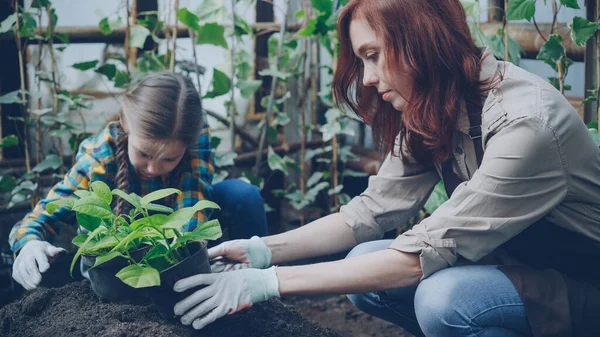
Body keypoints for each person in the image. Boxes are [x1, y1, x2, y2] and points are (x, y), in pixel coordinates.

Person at [172, 1, 600, 336]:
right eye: (362, 61)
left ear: (422, 41)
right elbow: (370, 212)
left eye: (373, 56)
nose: (369, 78)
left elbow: (418, 259)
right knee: (367, 265)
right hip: (517, 265)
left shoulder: (525, 123)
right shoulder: (438, 104)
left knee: (444, 298)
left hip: (582, 284)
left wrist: (265, 283)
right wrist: (260, 252)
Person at [9, 71, 268, 291]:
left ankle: (254, 284)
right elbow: (40, 216)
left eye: (169, 159)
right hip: (115, 267)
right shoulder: (101, 155)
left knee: (242, 195)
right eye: (143, 154)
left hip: (168, 237)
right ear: (125, 124)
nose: (154, 168)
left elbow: (193, 205)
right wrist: (29, 244)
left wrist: (188, 260)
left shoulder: (195, 139)